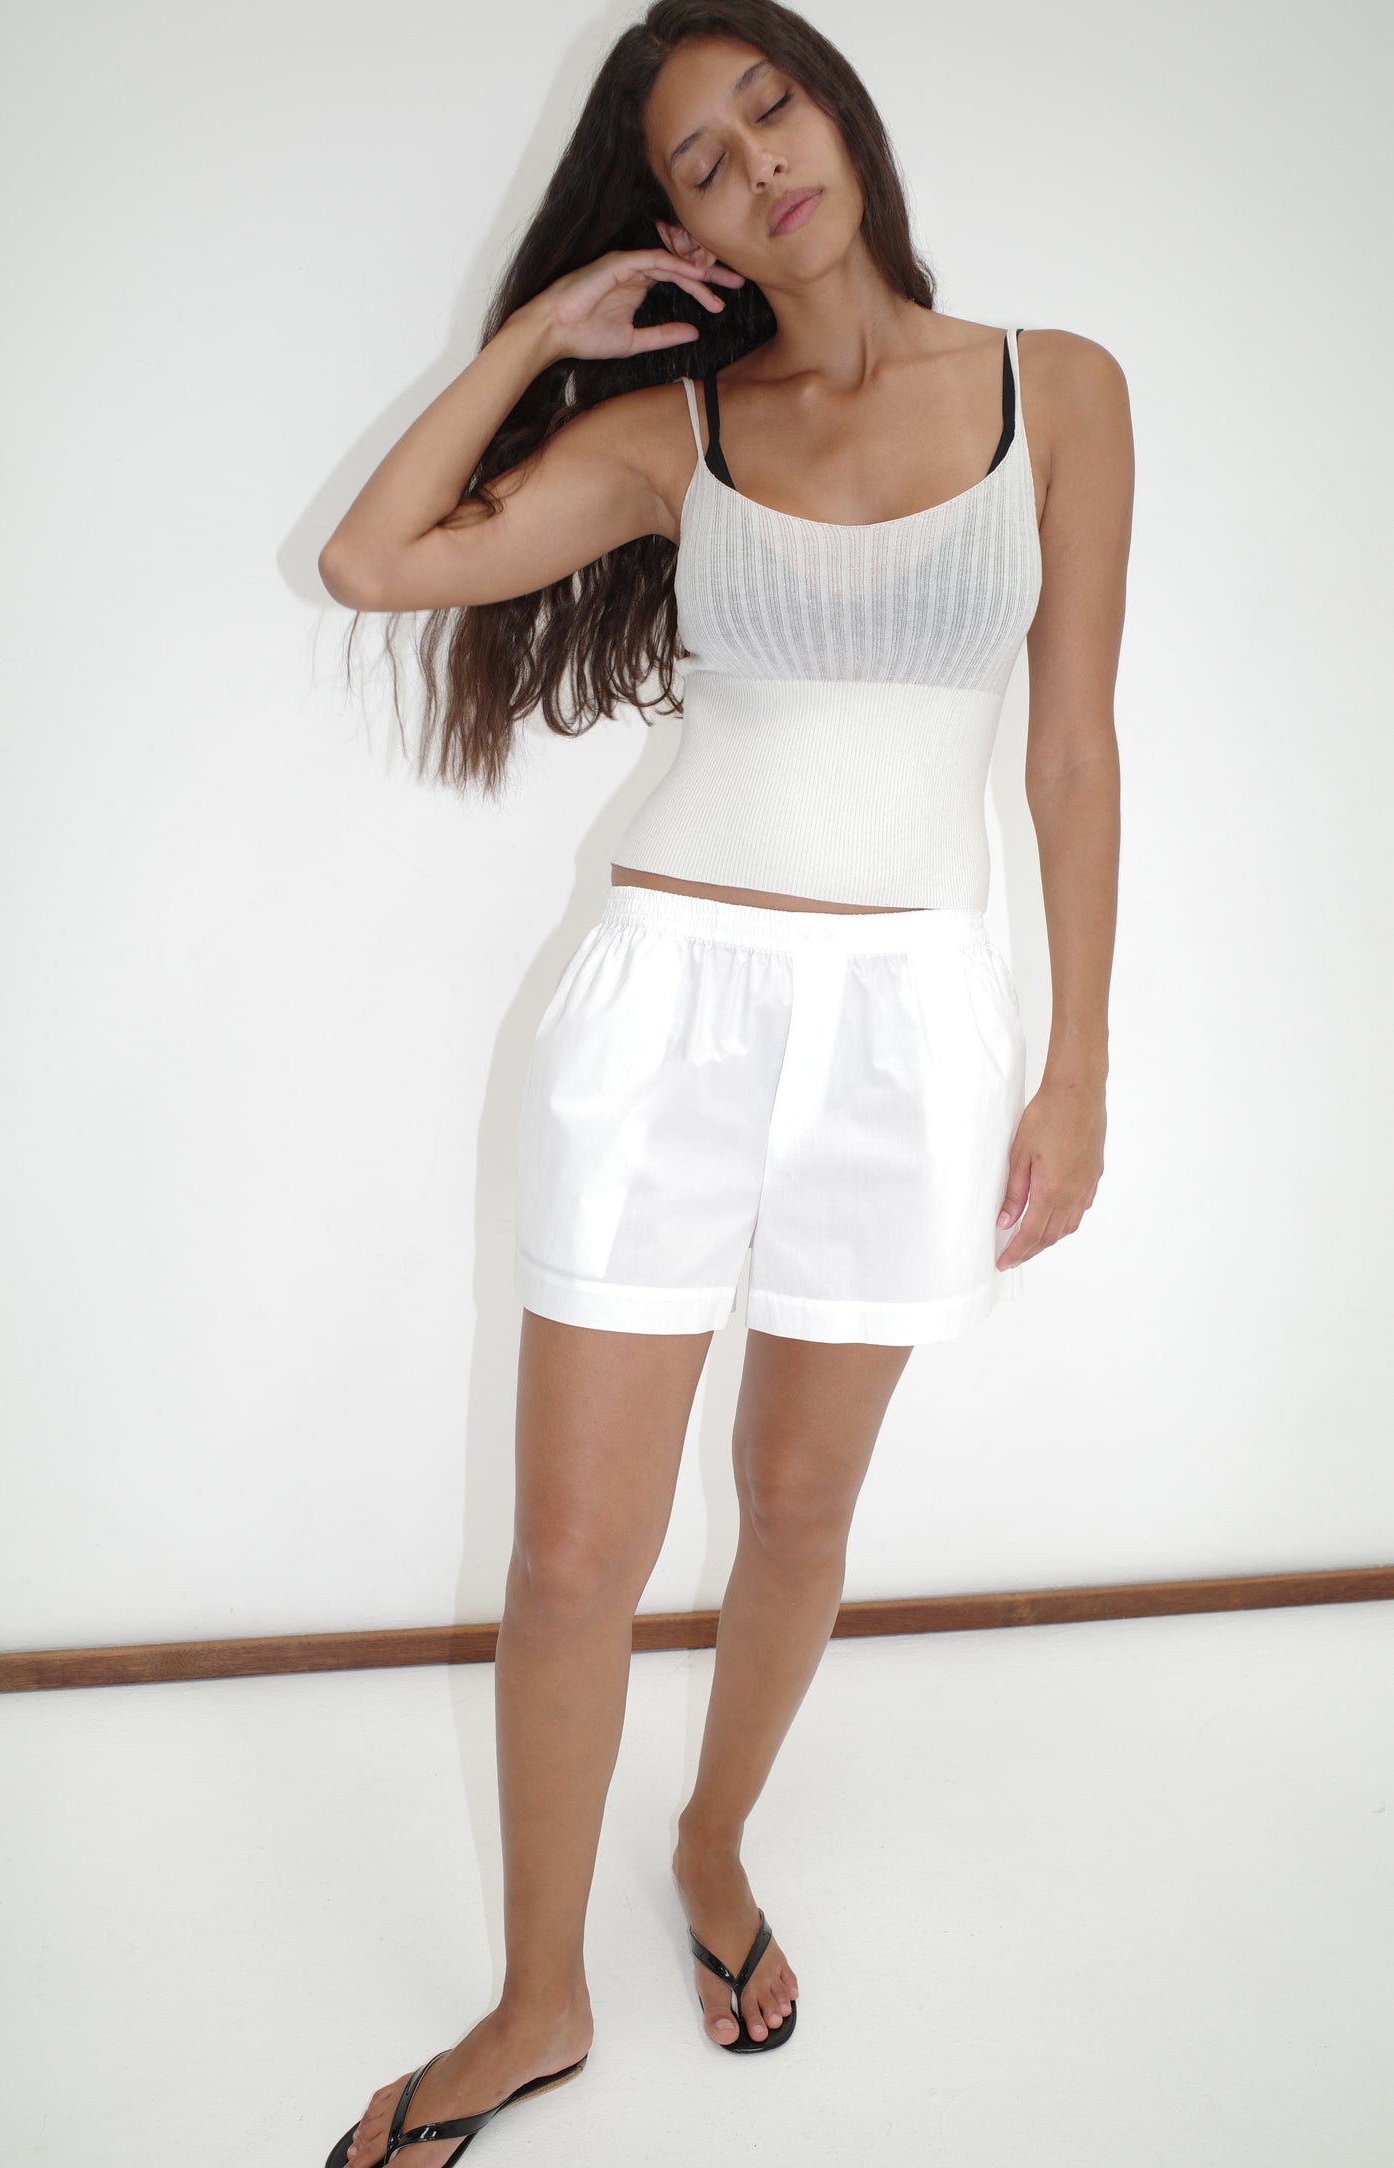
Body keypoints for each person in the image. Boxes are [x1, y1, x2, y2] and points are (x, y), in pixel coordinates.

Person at [317, 1, 1128, 2160]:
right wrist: (544, 334)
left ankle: (713, 1843)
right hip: (661, 1014)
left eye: (768, 101)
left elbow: (1069, 747)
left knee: (795, 1511)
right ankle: (538, 1998)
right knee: (574, 1565)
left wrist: (1082, 1062)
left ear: (835, 105)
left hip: (911, 1038)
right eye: (693, 162)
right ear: (669, 224)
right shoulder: (678, 435)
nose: (756, 158)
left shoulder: (1061, 393)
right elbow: (378, 559)